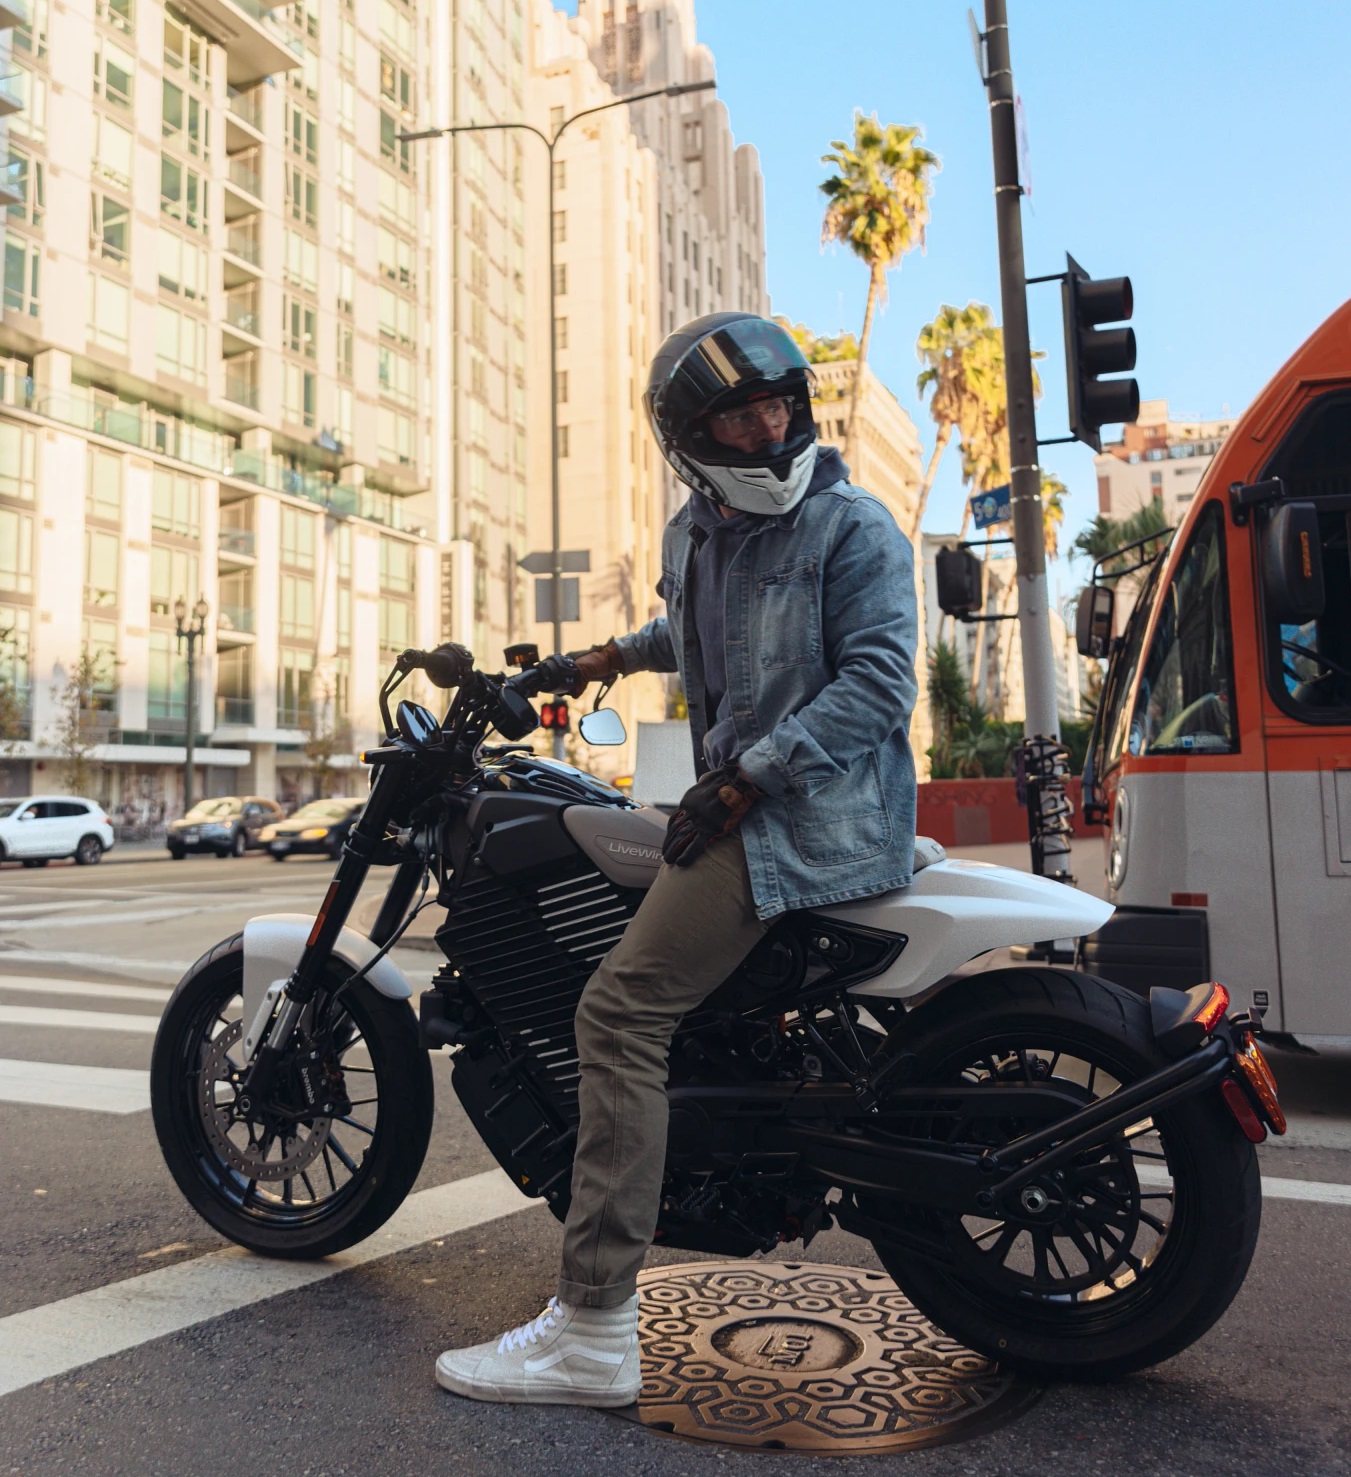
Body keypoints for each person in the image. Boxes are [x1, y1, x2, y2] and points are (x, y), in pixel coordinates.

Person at [435, 312, 919, 1407]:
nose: (769, 424)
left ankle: (595, 1326)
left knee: (616, 1014)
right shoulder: (695, 534)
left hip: (811, 818)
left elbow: (881, 683)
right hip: (738, 804)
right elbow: (681, 635)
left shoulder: (853, 529)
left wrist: (749, 775)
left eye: (779, 403)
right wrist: (583, 661)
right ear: (692, 437)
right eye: (741, 413)